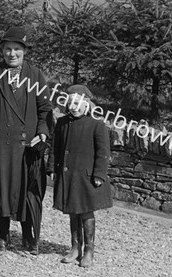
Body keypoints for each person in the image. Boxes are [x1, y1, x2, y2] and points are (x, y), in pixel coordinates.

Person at [0, 26, 52, 256]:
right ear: (1, 50)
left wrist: (43, 133)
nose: (12, 54)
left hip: (27, 145)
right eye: (8, 49)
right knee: (1, 190)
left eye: (17, 49)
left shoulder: (35, 75)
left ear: (24, 51)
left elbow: (45, 109)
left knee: (27, 191)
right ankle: (3, 238)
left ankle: (28, 237)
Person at [47, 85, 112, 268]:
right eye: (70, 103)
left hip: (87, 177)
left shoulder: (96, 124)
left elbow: (103, 152)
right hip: (68, 175)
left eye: (78, 103)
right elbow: (55, 148)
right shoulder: (62, 122)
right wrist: (51, 167)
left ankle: (89, 251)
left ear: (86, 104)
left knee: (85, 212)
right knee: (72, 211)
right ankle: (75, 247)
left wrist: (99, 173)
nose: (74, 107)